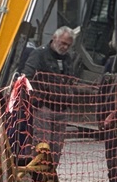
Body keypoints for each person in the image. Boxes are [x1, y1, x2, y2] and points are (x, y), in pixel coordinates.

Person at [20, 26, 77, 159]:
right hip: (44, 108)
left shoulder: (67, 58)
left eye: (68, 45)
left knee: (56, 149)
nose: (65, 47)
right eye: (63, 43)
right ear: (54, 38)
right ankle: (37, 177)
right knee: (42, 146)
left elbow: (70, 79)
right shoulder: (39, 54)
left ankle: (51, 176)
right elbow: (27, 77)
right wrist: (37, 101)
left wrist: (69, 98)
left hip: (62, 109)